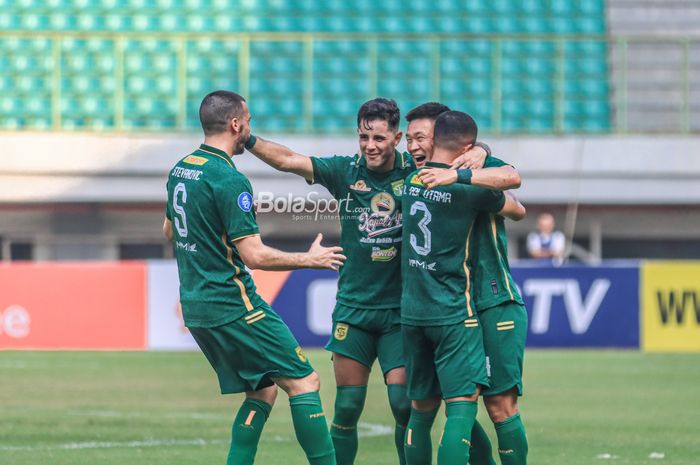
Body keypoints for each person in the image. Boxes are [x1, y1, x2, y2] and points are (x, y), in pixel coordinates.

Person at [245, 98, 487, 465]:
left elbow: (461, 148)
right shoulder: (345, 171)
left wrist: (482, 150)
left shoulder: (417, 169)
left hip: (400, 314)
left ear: (397, 137)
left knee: (403, 405)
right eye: (363, 137)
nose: (370, 145)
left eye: (378, 137)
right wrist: (248, 139)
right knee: (347, 407)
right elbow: (289, 160)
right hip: (354, 310)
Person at [163, 90, 346, 465]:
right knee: (304, 381)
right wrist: (309, 260)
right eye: (248, 120)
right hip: (233, 304)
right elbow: (254, 255)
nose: (250, 127)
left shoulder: (181, 168)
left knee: (263, 392)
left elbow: (169, 232)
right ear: (236, 124)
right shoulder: (229, 180)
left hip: (196, 307)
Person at [401, 110, 526, 465]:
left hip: (493, 297)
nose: (414, 146)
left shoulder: (474, 168)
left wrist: (470, 167)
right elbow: (518, 210)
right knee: (458, 405)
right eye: (409, 139)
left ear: (439, 138)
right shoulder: (416, 173)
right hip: (455, 305)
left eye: (421, 137)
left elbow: (512, 185)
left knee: (498, 406)